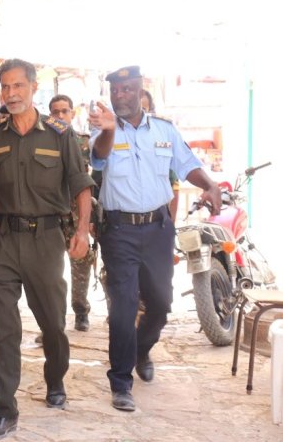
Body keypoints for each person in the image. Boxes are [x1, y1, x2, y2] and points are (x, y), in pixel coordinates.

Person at [88, 65, 220, 412]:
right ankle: (121, 382)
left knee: (161, 304)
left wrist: (209, 184)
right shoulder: (103, 129)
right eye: (116, 91)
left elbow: (187, 164)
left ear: (140, 90)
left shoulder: (163, 130)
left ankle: (141, 349)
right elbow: (98, 159)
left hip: (159, 229)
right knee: (124, 306)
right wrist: (108, 130)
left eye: (127, 89)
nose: (121, 96)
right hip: (119, 231)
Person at [0, 58, 94, 441]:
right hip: (3, 241)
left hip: (45, 241)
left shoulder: (60, 134)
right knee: (5, 328)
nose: (11, 94)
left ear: (33, 88)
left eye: (18, 86)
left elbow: (81, 185)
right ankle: (4, 409)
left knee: (53, 324)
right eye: (6, 87)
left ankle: (55, 378)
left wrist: (82, 231)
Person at [49, 94, 93, 332]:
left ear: (72, 113)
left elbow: (92, 178)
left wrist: (91, 218)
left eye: (64, 111)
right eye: (55, 112)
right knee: (51, 271)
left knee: (81, 265)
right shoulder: (44, 141)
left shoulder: (84, 142)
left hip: (77, 215)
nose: (60, 116)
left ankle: (81, 310)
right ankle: (53, 321)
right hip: (52, 216)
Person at [141, 89, 181, 219]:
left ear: (150, 111)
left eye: (143, 109)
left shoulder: (161, 139)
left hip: (156, 217)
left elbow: (173, 183)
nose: (138, 113)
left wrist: (172, 222)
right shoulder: (115, 136)